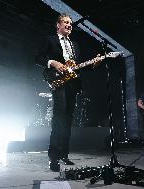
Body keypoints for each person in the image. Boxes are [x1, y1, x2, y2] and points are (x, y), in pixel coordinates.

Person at [35, 14, 101, 172]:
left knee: (68, 120)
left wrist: (93, 64)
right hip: (58, 83)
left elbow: (77, 66)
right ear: (58, 25)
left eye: (71, 23)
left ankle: (64, 154)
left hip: (73, 84)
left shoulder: (75, 45)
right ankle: (54, 158)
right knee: (58, 119)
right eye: (66, 22)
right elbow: (37, 58)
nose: (69, 25)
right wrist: (53, 62)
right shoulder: (50, 40)